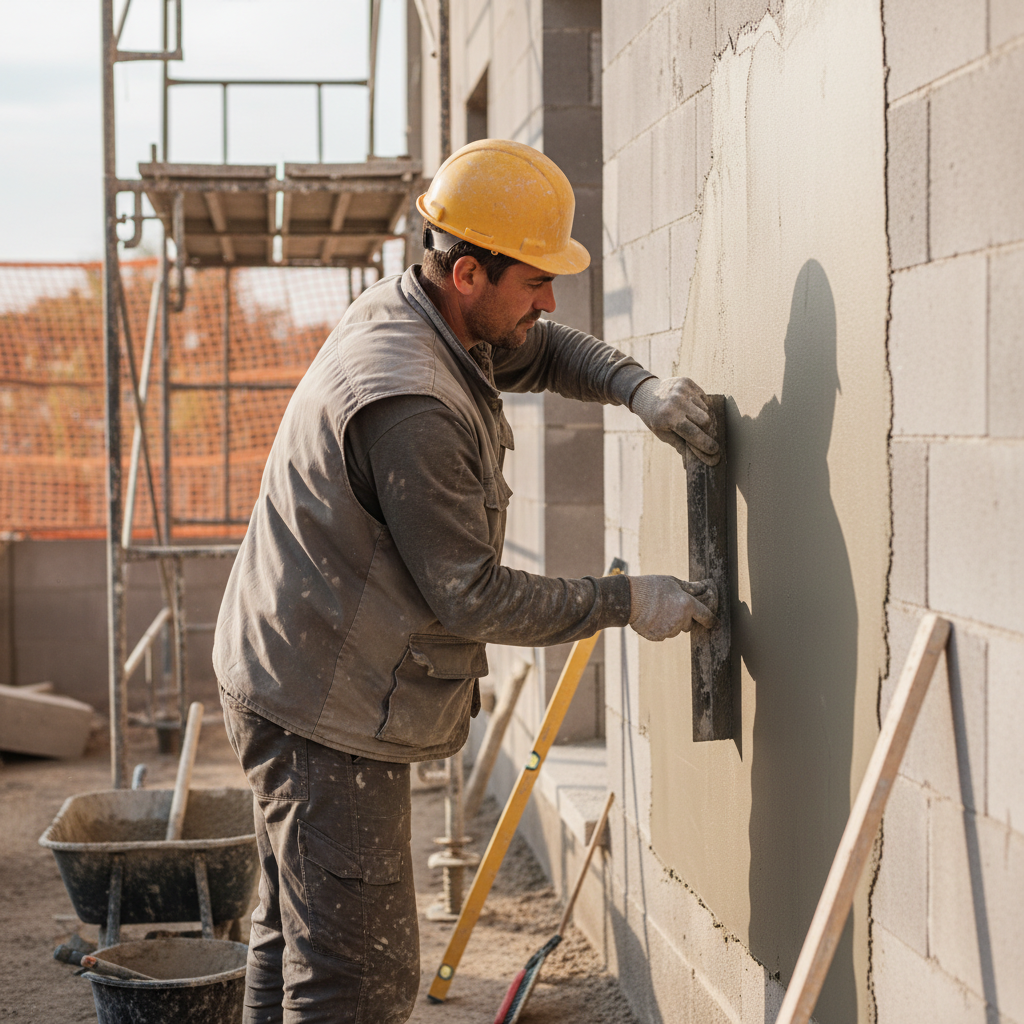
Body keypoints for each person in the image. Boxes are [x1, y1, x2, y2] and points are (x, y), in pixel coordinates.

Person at [213, 138, 720, 1024]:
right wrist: (627, 601)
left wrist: (636, 390)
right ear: (472, 274)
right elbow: (472, 596)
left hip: (285, 663)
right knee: (354, 983)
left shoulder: (434, 316)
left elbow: (547, 350)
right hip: (320, 708)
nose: (549, 301)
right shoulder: (410, 403)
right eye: (536, 282)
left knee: (293, 938)